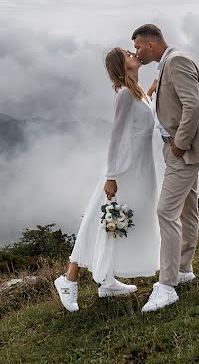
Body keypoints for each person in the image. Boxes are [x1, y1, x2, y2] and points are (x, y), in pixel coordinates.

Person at [54, 48, 161, 312]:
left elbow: (140, 116)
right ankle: (68, 280)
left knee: (118, 220)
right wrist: (111, 176)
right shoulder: (125, 94)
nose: (133, 53)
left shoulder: (135, 92)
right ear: (121, 65)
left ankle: (107, 280)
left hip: (140, 167)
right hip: (125, 168)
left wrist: (151, 90)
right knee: (102, 218)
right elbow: (116, 137)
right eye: (127, 53)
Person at [132, 23, 199, 313]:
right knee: (187, 208)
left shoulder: (177, 61)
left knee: (166, 212)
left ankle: (167, 285)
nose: (137, 52)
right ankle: (184, 269)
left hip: (182, 151)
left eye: (138, 47)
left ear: (150, 43)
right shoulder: (169, 62)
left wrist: (180, 145)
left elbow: (194, 104)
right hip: (176, 149)